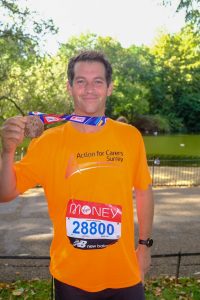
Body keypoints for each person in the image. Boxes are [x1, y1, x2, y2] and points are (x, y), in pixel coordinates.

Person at [0, 50, 154, 300]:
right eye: (81, 81)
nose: (89, 89)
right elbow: (5, 193)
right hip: (70, 278)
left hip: (124, 274)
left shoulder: (130, 137)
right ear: (69, 87)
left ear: (110, 88)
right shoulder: (48, 142)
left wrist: (145, 246)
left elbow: (144, 190)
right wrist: (7, 152)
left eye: (98, 81)